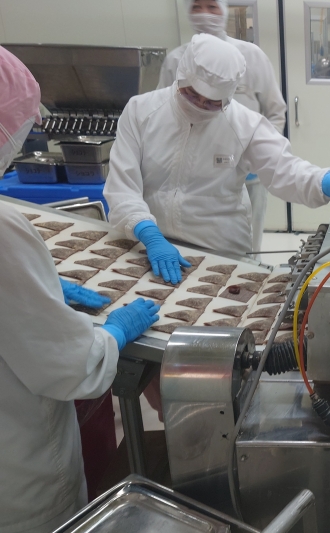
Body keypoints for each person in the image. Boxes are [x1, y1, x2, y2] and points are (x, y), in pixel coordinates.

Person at [0, 46, 161, 533]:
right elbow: (70, 366)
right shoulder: (4, 232)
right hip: (15, 479)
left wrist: (35, 291)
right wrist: (113, 332)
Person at [104, 34, 330, 285]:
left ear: (228, 96)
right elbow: (122, 185)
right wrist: (148, 233)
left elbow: (285, 169)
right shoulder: (141, 112)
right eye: (192, 95)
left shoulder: (244, 124)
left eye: (211, 103)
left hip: (220, 251)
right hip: (147, 242)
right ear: (181, 77)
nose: (199, 105)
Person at [159, 0, 287, 253]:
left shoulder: (251, 56)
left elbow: (275, 111)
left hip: (248, 175)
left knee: (248, 245)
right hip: (196, 176)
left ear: (224, 10)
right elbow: (163, 117)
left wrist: (261, 158)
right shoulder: (175, 60)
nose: (204, 14)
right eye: (197, 7)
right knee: (200, 246)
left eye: (212, 6)